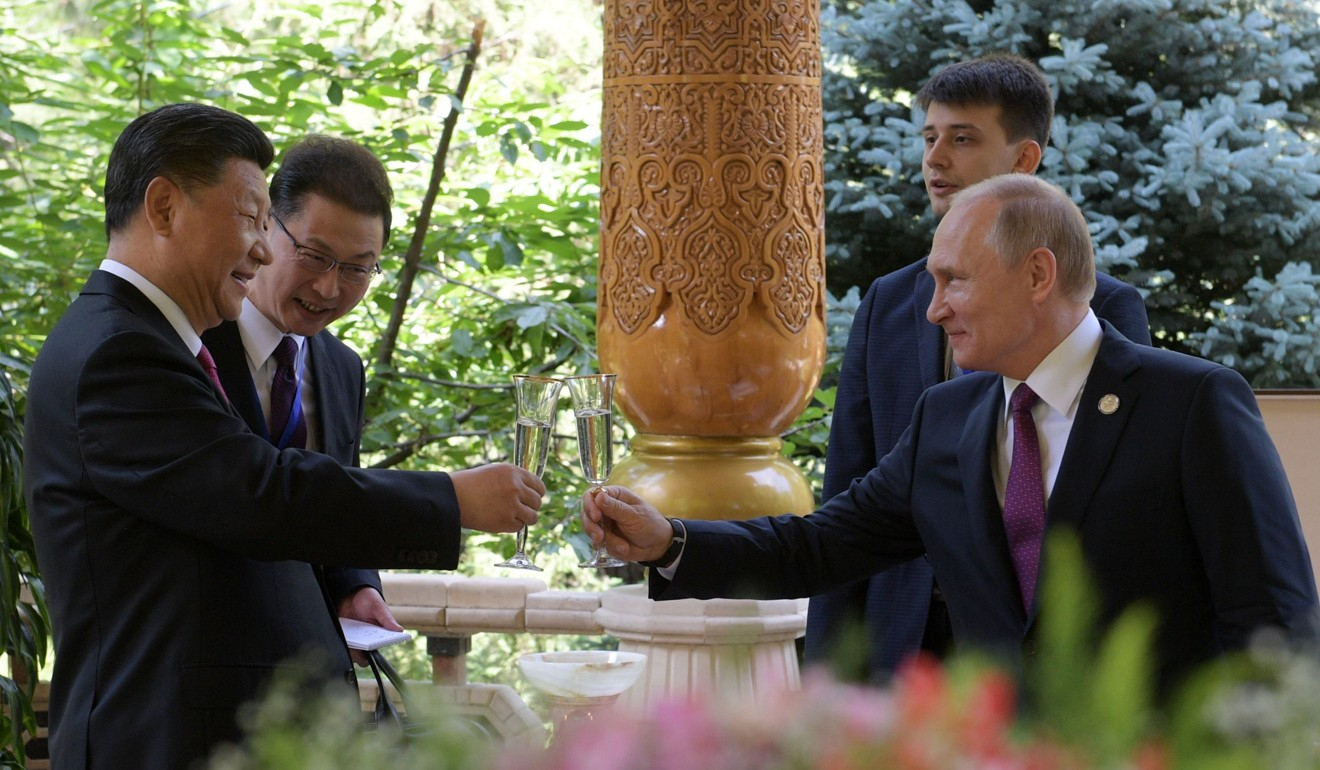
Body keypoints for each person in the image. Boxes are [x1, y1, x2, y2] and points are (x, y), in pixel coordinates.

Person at [583, 173, 1318, 696]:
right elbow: (822, 546)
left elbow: (1276, 623)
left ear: (1038, 275)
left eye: (954, 280)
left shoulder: (1191, 404)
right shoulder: (946, 417)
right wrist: (670, 541)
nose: (934, 309)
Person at [23, 103, 544, 770]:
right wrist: (452, 498)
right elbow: (259, 494)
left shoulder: (151, 339)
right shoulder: (118, 353)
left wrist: (351, 584)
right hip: (170, 737)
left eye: (357, 267)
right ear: (164, 208)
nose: (262, 249)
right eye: (251, 219)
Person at [805, 53, 1153, 683]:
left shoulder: (1104, 309)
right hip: (903, 648)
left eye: (962, 139)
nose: (935, 159)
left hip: (1041, 654)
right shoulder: (889, 304)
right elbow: (846, 493)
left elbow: (1120, 501)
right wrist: (824, 680)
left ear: (1024, 159)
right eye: (929, 138)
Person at [202, 136, 403, 663]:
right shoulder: (193, 344)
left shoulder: (343, 369)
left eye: (357, 269)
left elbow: (337, 507)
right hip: (210, 669)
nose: (329, 288)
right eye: (314, 257)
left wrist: (356, 586)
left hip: (313, 681)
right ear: (265, 226)